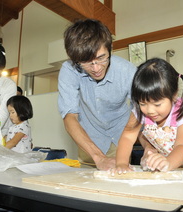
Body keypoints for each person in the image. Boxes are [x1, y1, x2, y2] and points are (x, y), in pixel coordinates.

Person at [58, 19, 137, 170]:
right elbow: (70, 117)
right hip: (89, 139)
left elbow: (139, 109)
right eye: (86, 62)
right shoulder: (69, 70)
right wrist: (98, 157)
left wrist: (137, 145)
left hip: (122, 136)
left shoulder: (127, 71)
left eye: (101, 58)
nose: (96, 68)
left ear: (110, 49)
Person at [113, 58, 183, 173]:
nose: (150, 110)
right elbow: (127, 137)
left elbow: (182, 145)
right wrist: (121, 163)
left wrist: (168, 162)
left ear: (174, 95)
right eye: (143, 103)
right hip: (169, 165)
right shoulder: (139, 111)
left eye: (157, 104)